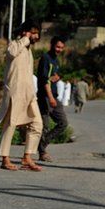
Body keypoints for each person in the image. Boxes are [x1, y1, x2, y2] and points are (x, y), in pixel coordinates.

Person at [0, 20, 44, 172]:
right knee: (10, 124)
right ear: (25, 32)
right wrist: (25, 38)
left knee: (37, 124)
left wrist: (32, 92)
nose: (36, 36)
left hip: (29, 93)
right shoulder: (14, 44)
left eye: (37, 33)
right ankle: (5, 159)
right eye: (33, 32)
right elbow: (11, 53)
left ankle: (27, 157)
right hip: (15, 92)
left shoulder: (29, 50)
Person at [36, 35, 68, 163]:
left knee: (63, 123)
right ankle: (42, 152)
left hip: (54, 96)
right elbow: (44, 80)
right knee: (45, 126)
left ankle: (40, 145)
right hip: (46, 97)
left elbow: (51, 77)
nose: (59, 49)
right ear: (52, 45)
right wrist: (50, 97)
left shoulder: (56, 60)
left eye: (61, 48)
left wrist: (56, 77)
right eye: (57, 46)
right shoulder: (46, 58)